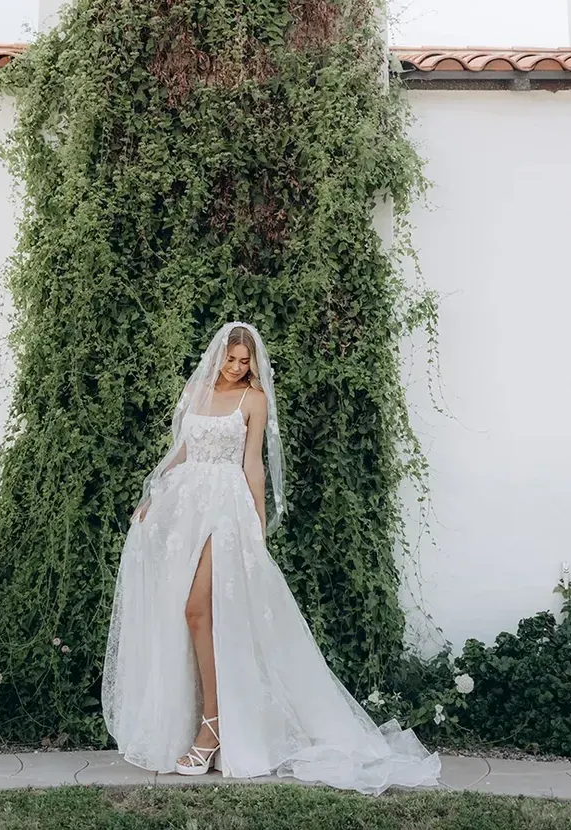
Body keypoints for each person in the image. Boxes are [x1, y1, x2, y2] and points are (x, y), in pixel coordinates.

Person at [101, 321, 441, 792]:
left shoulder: (252, 400)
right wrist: (152, 495)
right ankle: (208, 721)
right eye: (233, 360)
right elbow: (181, 448)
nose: (239, 368)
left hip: (226, 509)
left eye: (247, 363)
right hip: (185, 506)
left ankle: (213, 727)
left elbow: (253, 464)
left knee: (197, 610)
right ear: (218, 355)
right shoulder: (196, 392)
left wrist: (257, 525)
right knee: (186, 615)